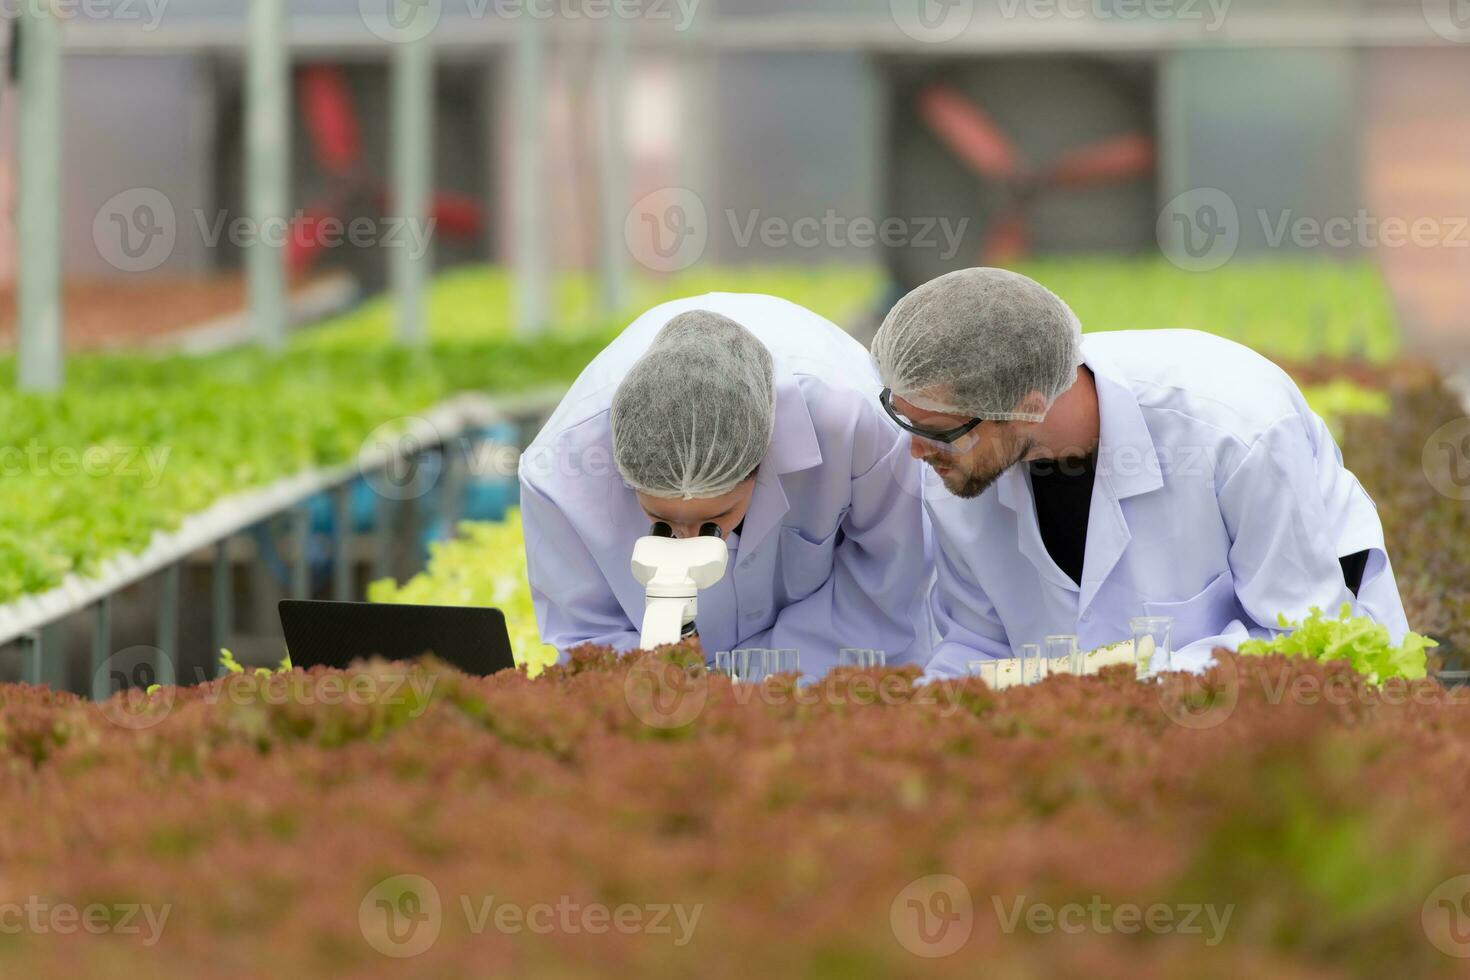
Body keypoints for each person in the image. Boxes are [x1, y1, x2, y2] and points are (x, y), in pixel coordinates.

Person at [870, 267, 1409, 677]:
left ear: (1028, 404)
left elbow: (1303, 636)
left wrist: (1112, 681)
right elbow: (977, 645)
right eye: (903, 419)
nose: (917, 452)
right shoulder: (960, 470)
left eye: (939, 431)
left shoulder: (1234, 426)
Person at [520, 293, 932, 675]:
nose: (687, 539)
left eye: (716, 518)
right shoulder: (562, 471)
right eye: (659, 519)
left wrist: (755, 683)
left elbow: (888, 591)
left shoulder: (855, 421)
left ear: (766, 458)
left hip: (832, 667)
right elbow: (585, 633)